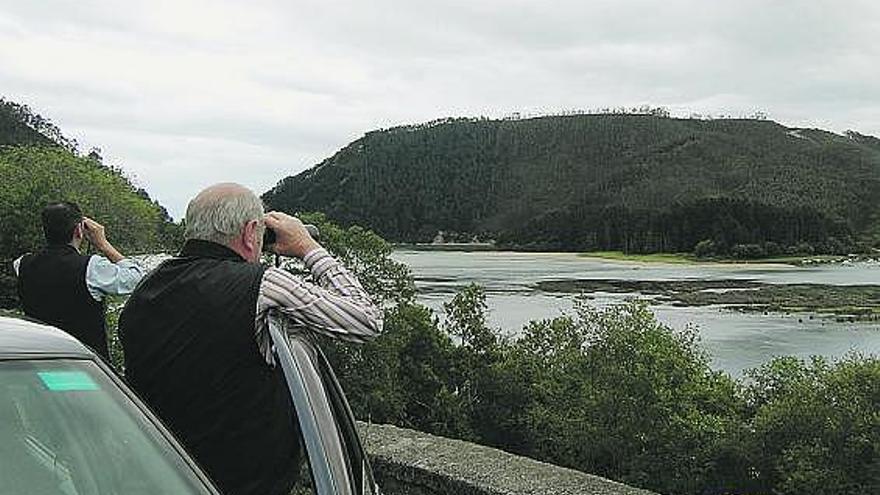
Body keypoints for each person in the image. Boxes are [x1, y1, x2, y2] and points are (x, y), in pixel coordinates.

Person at [118, 183, 382, 495]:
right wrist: (309, 247)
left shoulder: (145, 290)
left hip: (161, 479)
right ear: (250, 232)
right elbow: (366, 319)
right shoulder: (261, 285)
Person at [14, 201, 144, 360]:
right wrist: (103, 244)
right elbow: (137, 278)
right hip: (84, 364)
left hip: (41, 360)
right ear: (78, 230)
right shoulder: (92, 267)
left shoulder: (22, 264)